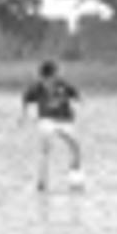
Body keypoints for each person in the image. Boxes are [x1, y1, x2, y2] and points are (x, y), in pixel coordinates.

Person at [21, 60, 84, 192]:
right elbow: (26, 99)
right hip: (46, 120)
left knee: (75, 147)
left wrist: (79, 101)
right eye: (57, 71)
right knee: (45, 150)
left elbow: (76, 95)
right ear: (51, 74)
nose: (60, 74)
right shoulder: (36, 87)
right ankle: (42, 183)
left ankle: (75, 182)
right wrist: (25, 115)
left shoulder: (63, 85)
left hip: (65, 120)